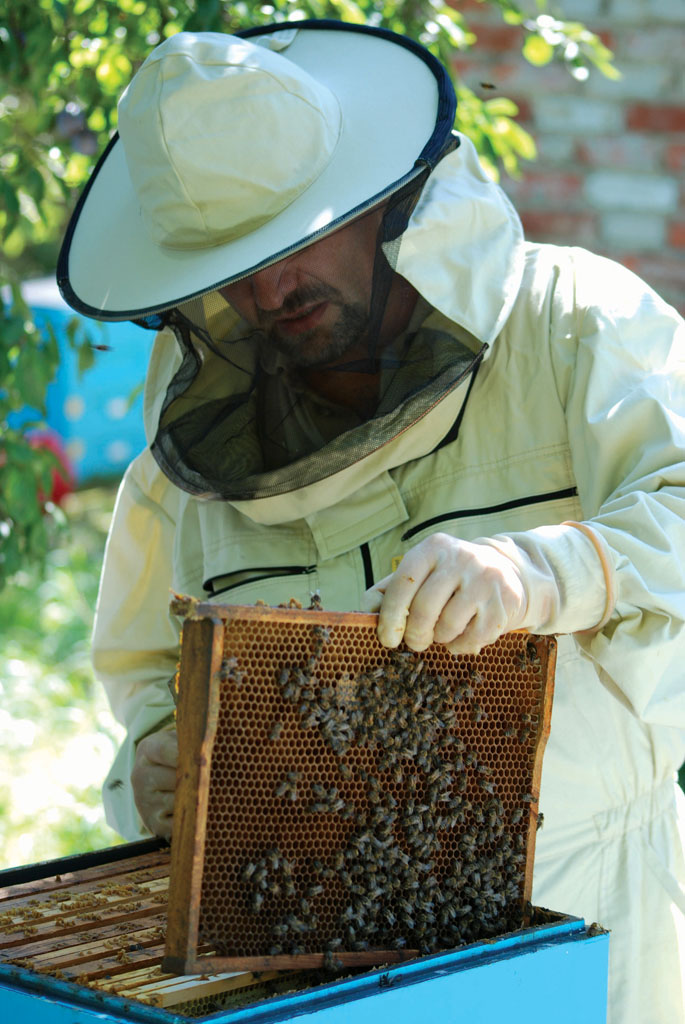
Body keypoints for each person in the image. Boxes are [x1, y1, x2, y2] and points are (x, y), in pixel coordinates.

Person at [57, 20, 685, 1024]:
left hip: (590, 917)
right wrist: (155, 761)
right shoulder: (187, 454)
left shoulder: (575, 322)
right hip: (307, 969)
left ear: (381, 201)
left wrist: (555, 568)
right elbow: (149, 675)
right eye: (229, 270)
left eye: (293, 242)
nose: (269, 292)